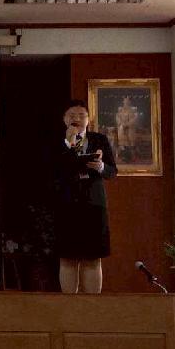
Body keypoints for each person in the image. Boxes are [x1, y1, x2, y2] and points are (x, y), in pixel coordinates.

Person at [54, 99, 117, 294]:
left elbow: (112, 171)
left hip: (94, 204)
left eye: (82, 115)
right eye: (72, 115)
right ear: (64, 119)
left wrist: (100, 166)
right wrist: (68, 143)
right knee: (67, 257)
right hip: (66, 205)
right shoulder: (56, 142)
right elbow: (53, 170)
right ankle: (70, 306)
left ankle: (92, 306)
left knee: (93, 257)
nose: (77, 119)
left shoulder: (99, 139)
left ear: (88, 119)